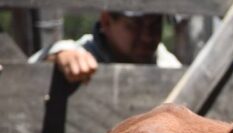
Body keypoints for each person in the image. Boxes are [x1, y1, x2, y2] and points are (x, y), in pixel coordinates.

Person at [30, 11, 181, 83]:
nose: (147, 36)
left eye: (155, 25)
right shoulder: (80, 52)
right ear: (107, 22)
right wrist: (57, 57)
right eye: (135, 25)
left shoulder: (170, 66)